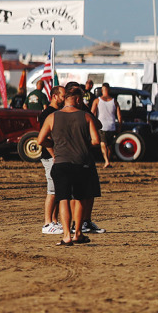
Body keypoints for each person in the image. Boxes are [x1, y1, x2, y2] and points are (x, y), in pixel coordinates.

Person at [37, 83, 102, 246]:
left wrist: (56, 145)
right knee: (79, 198)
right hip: (80, 162)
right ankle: (78, 233)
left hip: (60, 163)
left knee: (63, 198)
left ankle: (66, 235)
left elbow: (40, 140)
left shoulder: (52, 117)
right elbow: (96, 140)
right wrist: (82, 144)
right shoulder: (85, 117)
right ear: (78, 99)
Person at [39, 84, 67, 235]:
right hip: (50, 157)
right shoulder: (47, 114)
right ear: (55, 96)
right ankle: (47, 223)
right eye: (63, 95)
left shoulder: (58, 112)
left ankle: (54, 221)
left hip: (58, 156)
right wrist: (54, 156)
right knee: (52, 190)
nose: (64, 98)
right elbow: (45, 138)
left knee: (58, 189)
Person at [91, 83, 120, 169]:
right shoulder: (114, 101)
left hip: (102, 126)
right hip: (111, 126)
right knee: (109, 145)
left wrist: (92, 124)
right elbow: (119, 115)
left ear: (102, 90)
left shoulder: (97, 100)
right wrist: (119, 126)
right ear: (109, 90)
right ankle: (108, 160)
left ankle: (106, 161)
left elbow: (92, 113)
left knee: (103, 144)